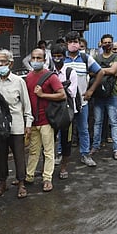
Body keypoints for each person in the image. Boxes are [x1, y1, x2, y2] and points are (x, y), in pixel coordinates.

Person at [0, 49, 33, 199]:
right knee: (0, 156)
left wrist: (28, 123)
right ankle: (2, 183)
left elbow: (26, 104)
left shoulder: (19, 81)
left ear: (11, 63)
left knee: (19, 156)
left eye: (4, 62)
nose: (1, 64)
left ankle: (21, 183)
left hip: (16, 125)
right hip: (0, 127)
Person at [25, 48, 66, 192]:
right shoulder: (28, 77)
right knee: (33, 150)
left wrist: (43, 95)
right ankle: (29, 176)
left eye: (39, 58)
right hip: (33, 121)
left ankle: (47, 178)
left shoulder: (51, 77)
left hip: (47, 120)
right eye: (33, 58)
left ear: (44, 60)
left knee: (48, 151)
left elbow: (62, 95)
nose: (36, 61)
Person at [63, 31, 104, 167]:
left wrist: (91, 90)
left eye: (75, 41)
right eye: (70, 42)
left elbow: (100, 72)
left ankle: (85, 154)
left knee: (83, 128)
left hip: (82, 101)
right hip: (65, 102)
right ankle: (60, 154)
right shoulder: (61, 59)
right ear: (66, 44)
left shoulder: (86, 58)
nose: (73, 44)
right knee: (63, 129)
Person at [90, 35, 117, 160]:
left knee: (114, 122)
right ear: (101, 44)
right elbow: (91, 71)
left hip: (111, 94)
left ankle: (116, 148)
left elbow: (114, 69)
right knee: (97, 122)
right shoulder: (96, 57)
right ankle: (95, 146)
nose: (107, 44)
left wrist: (99, 71)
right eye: (105, 42)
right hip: (98, 94)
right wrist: (107, 70)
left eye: (109, 42)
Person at [50, 44, 78, 178]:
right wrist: (61, 88)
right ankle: (48, 169)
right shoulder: (49, 71)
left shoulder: (70, 72)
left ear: (64, 56)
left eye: (59, 56)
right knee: (49, 140)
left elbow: (71, 93)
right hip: (52, 112)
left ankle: (64, 168)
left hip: (67, 112)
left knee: (66, 140)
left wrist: (56, 90)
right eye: (54, 56)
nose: (57, 59)